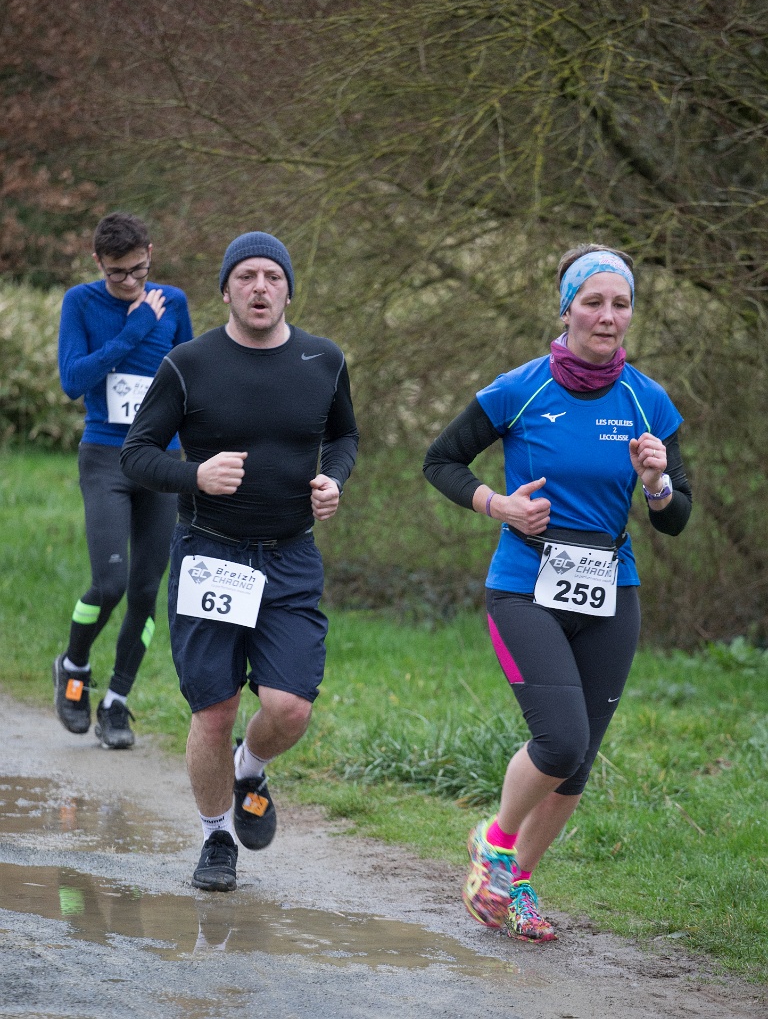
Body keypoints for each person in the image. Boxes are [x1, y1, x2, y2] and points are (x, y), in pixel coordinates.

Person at [423, 244, 692, 942]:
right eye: (593, 302)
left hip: (611, 594)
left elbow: (675, 517)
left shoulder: (648, 400)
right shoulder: (520, 389)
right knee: (560, 739)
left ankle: (514, 886)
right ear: (567, 309)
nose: (607, 316)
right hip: (524, 588)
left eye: (620, 304)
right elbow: (440, 460)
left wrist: (657, 483)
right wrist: (498, 505)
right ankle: (494, 842)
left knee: (577, 763)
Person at [120, 231, 358, 892]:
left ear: (288, 290)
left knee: (290, 707)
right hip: (210, 553)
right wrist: (195, 475)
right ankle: (216, 837)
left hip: (289, 555)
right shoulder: (188, 364)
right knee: (215, 708)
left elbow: (344, 434)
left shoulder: (323, 359)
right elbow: (136, 454)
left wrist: (334, 479)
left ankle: (248, 768)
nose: (260, 287)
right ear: (225, 290)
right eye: (246, 276)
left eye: (272, 277)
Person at [54, 212, 194, 749]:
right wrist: (134, 330)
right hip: (105, 458)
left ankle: (117, 701)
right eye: (117, 273)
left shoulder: (173, 302)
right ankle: (74, 665)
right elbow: (73, 380)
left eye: (139, 269)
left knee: (145, 590)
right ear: (98, 262)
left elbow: (190, 381)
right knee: (109, 583)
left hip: (161, 460)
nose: (131, 281)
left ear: (150, 254)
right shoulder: (81, 302)